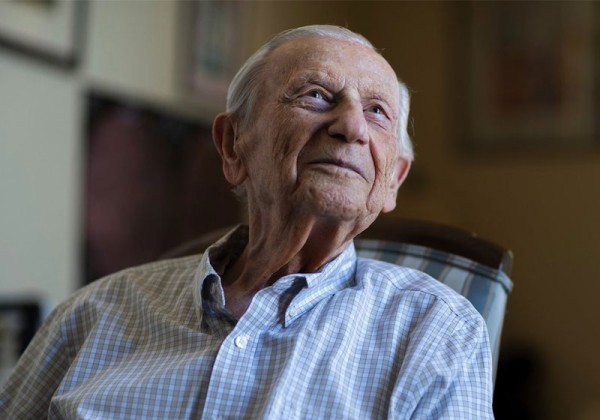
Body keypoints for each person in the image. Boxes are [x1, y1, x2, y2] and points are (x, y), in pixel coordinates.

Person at [0, 25, 493, 418]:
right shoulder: (91, 316)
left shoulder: (435, 333)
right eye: (317, 95)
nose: (351, 126)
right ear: (234, 145)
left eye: (377, 111)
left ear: (395, 180)